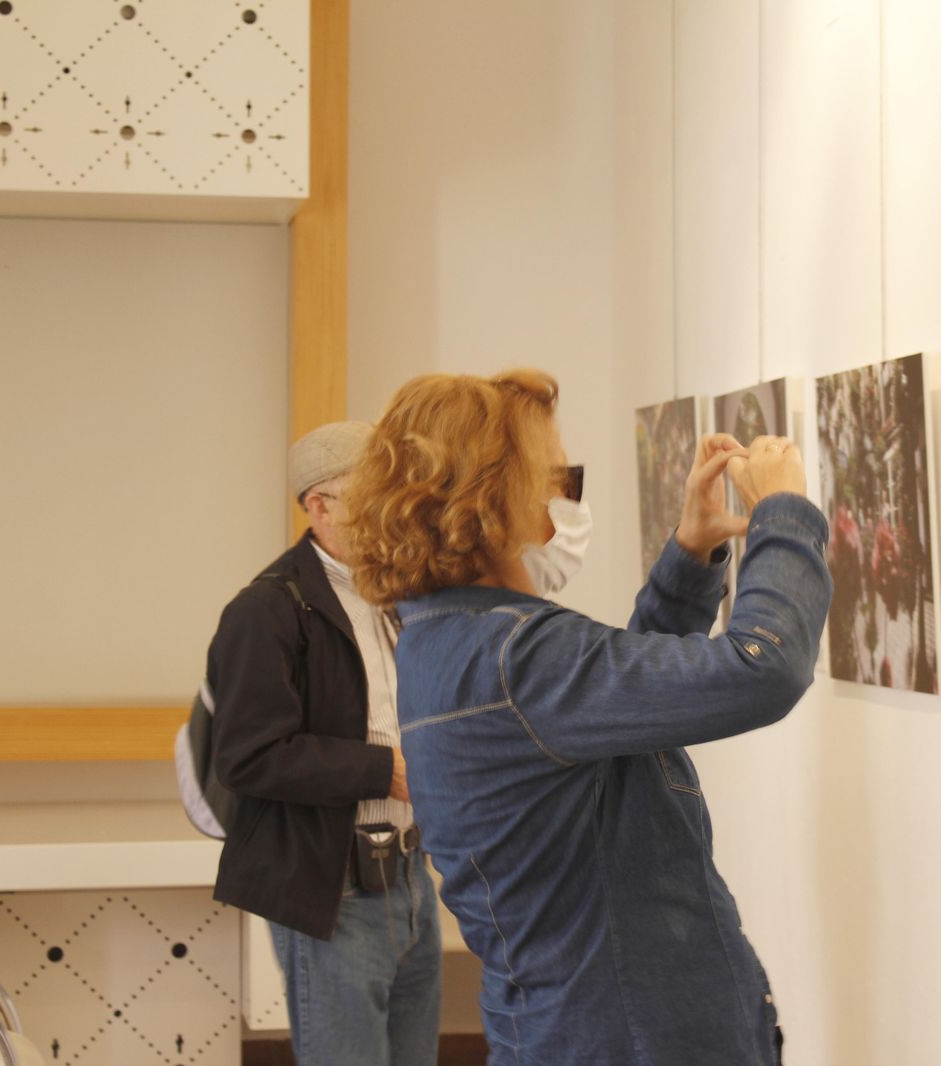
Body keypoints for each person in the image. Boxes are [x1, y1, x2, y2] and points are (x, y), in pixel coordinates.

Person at [342, 370, 832, 1064]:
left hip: (577, 1024)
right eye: (556, 478)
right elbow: (766, 666)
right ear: (498, 491)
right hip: (625, 1038)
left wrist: (691, 555)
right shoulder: (516, 656)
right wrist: (784, 511)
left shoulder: (455, 638)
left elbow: (618, 706)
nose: (562, 501)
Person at [206, 421, 441, 1066]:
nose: (398, 513)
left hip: (414, 879)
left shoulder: (400, 595)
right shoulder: (267, 609)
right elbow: (248, 755)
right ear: (319, 505)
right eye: (379, 497)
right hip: (333, 890)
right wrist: (383, 771)